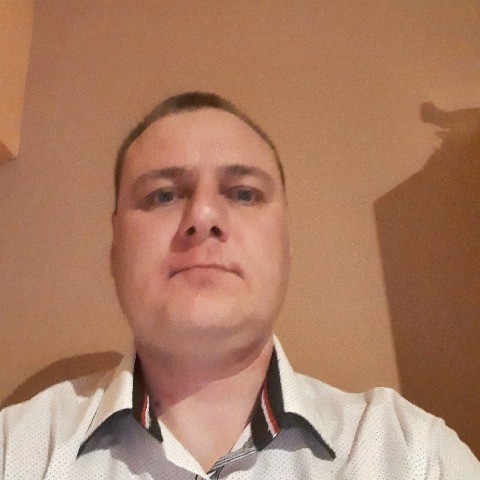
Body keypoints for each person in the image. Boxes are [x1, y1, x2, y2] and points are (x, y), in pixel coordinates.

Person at [1, 92, 479, 479]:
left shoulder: (415, 456)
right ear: (114, 248)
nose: (203, 217)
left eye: (244, 193)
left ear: (285, 247)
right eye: (162, 195)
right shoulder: (14, 450)